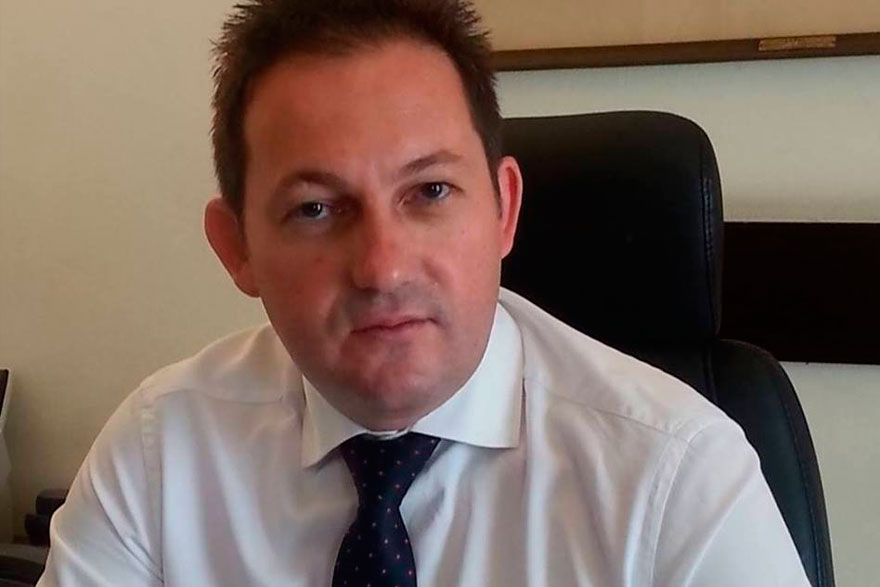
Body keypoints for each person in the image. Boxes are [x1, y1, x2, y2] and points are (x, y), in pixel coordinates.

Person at [38, 1, 810, 585]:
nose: (383, 268)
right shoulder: (159, 451)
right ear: (236, 247)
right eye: (316, 208)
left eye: (430, 191)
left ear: (504, 210)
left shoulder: (676, 478)